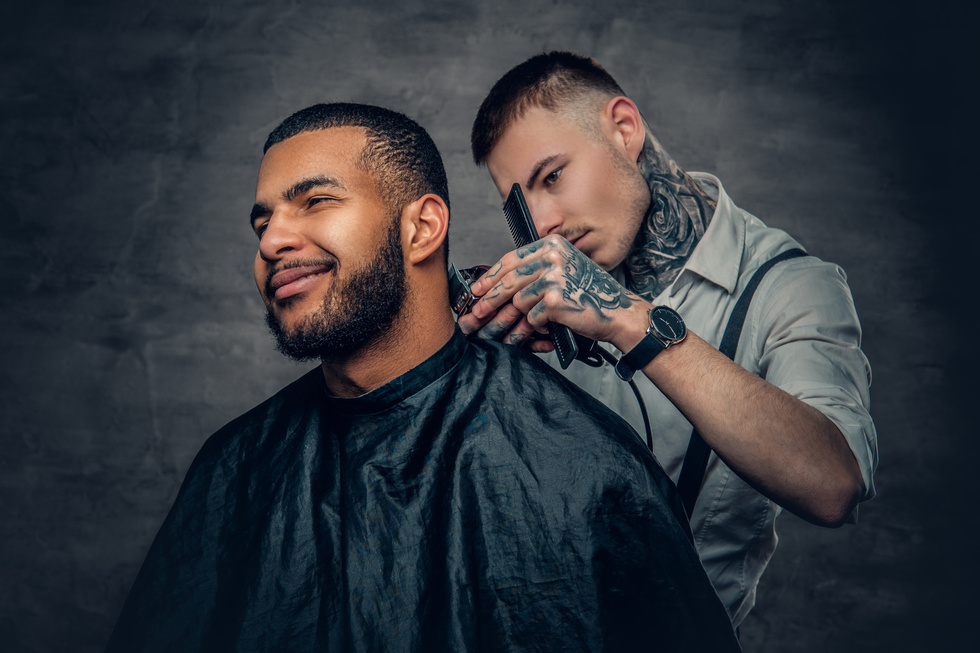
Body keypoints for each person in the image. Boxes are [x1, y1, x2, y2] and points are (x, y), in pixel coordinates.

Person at [104, 102, 741, 652]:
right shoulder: (234, 467)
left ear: (423, 227)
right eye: (262, 221)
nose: (272, 241)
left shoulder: (586, 465)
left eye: (316, 202)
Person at [459, 52, 878, 627]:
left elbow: (835, 485)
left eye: (552, 177)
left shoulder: (790, 287)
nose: (545, 221)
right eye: (522, 208)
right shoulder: (546, 300)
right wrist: (472, 359)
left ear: (624, 128)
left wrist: (627, 320)